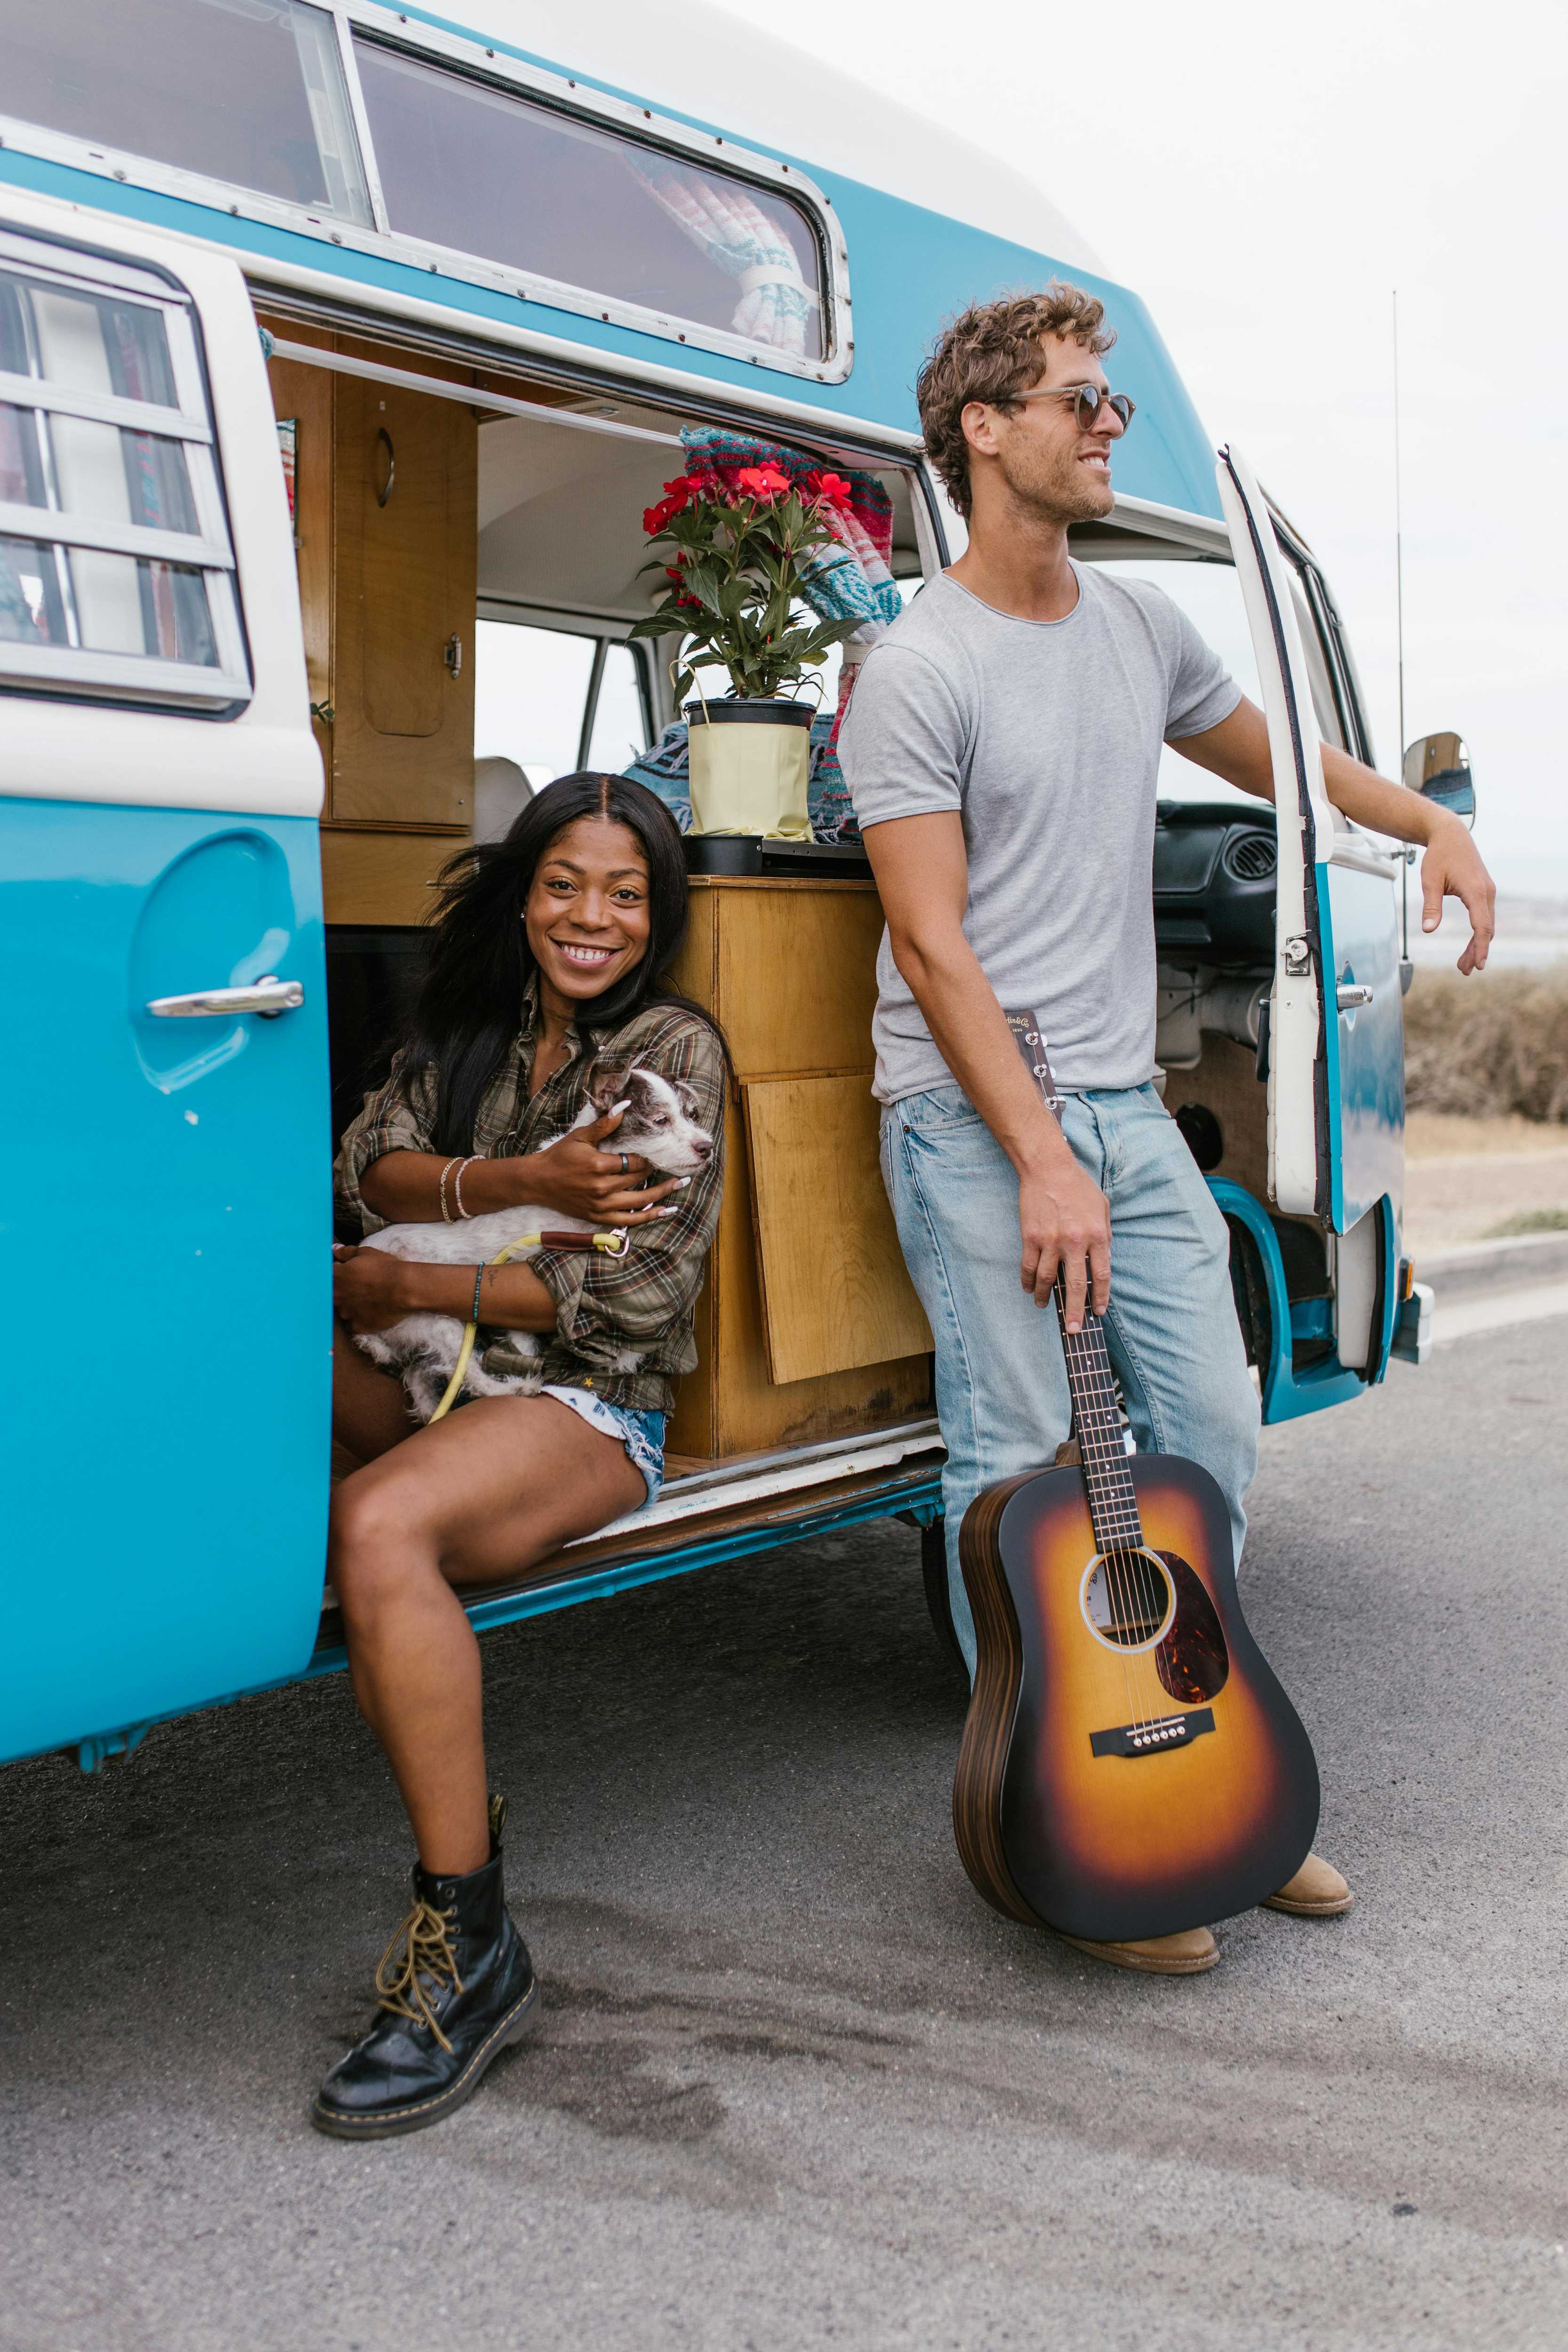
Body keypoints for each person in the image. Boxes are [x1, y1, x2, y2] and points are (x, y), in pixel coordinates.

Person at [841, 286, 1495, 1977]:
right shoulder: (915, 670)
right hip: (970, 1116)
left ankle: (1195, 1751)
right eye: (1077, 401)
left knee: (1209, 1435)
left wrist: (1428, 820)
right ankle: (1077, 1824)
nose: (1107, 423)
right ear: (982, 431)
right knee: (1016, 1465)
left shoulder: (1136, 627)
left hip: (1121, 1110)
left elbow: (1285, 764)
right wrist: (1038, 1153)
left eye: (1111, 403)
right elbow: (932, 944)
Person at [316, 772, 726, 2135]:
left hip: (584, 1406)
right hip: (437, 1373)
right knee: (237, 1351)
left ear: (657, 915)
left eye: (625, 893)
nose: (589, 917)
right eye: (563, 883)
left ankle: (471, 1941)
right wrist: (516, 1187)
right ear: (523, 890)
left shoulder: (669, 1059)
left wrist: (408, 1284)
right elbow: (365, 1163)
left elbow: (634, 1295)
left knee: (376, 1526)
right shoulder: (476, 1032)